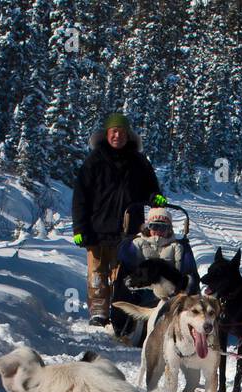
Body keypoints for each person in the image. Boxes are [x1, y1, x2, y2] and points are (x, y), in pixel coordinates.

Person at [71, 113, 166, 326]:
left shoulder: (139, 162)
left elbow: (151, 189)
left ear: (128, 135)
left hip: (128, 229)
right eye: (114, 131)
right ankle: (98, 312)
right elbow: (80, 197)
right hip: (96, 229)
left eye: (122, 132)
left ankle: (119, 311)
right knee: (97, 274)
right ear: (106, 134)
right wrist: (79, 228)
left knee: (122, 274)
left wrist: (155, 198)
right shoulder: (93, 162)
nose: (118, 136)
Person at [112, 206, 199, 343]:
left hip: (168, 289)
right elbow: (125, 260)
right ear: (147, 227)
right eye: (154, 226)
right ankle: (123, 327)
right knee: (122, 286)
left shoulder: (177, 246)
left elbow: (187, 270)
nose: (158, 232)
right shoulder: (137, 242)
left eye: (163, 227)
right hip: (140, 288)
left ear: (169, 229)